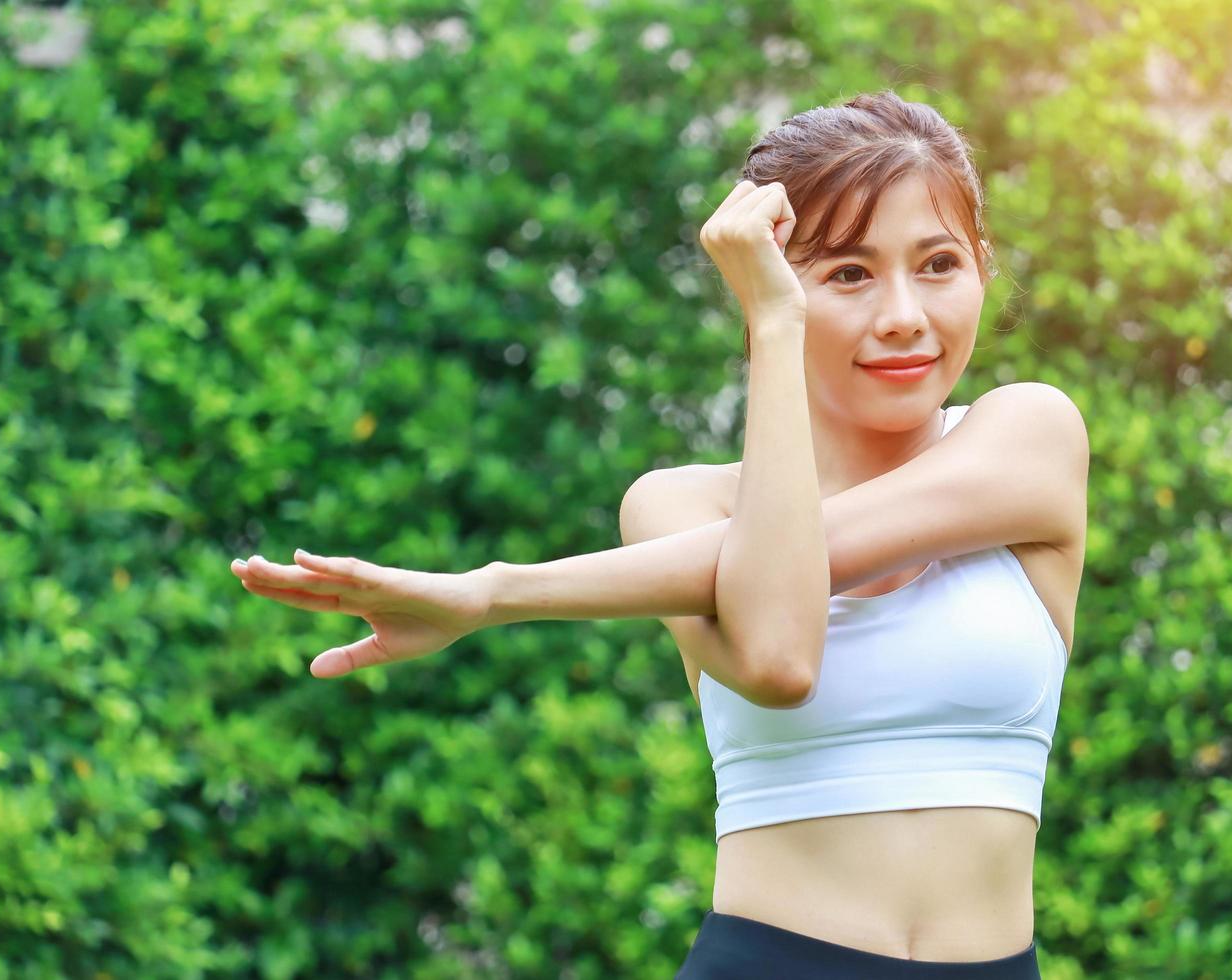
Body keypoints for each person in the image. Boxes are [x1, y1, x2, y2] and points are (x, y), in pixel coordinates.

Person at [230, 89, 1087, 978]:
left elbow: (809, 553)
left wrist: (492, 593)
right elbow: (781, 656)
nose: (904, 312)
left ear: (983, 266)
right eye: (847, 274)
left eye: (939, 263)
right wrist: (775, 323)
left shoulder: (1029, 436)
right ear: (769, 287)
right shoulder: (678, 507)